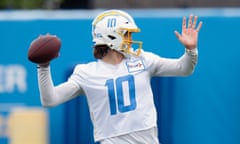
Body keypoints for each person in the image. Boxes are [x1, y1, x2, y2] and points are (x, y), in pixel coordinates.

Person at [36, 9, 202, 144]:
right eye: (127, 34)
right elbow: (50, 99)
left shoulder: (143, 59)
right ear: (112, 36)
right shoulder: (87, 73)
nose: (131, 39)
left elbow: (183, 68)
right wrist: (43, 67)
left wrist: (191, 50)